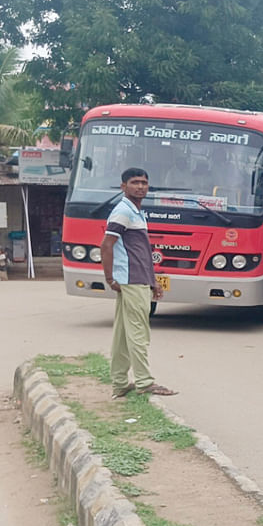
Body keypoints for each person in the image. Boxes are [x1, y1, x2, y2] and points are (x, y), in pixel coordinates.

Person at [101, 168, 177, 398]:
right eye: (135, 182)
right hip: (131, 280)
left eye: (144, 182)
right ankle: (144, 382)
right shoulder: (123, 211)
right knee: (139, 332)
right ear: (123, 186)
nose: (141, 186)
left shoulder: (136, 212)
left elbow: (140, 251)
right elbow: (106, 245)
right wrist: (109, 278)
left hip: (138, 278)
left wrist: (153, 280)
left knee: (123, 335)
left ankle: (120, 383)